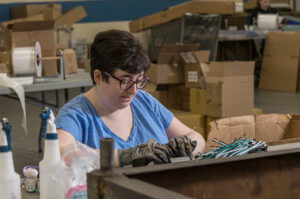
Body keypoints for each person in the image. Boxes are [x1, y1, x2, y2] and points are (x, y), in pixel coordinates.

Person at [55, 29, 205, 167]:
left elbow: (197, 138)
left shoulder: (144, 101)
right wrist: (125, 156)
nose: (133, 90)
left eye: (139, 80)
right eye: (125, 81)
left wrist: (187, 146)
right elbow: (60, 155)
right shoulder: (75, 115)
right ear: (99, 76)